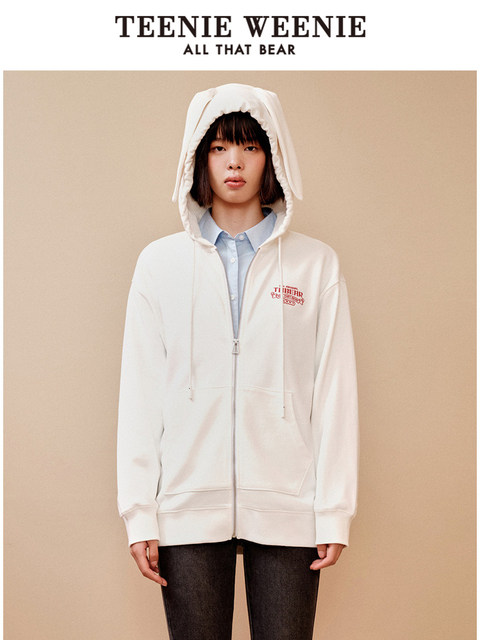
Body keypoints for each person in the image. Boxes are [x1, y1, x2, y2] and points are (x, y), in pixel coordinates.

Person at [117, 82, 359, 640]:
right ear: (198, 159)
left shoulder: (315, 265)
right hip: (185, 504)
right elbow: (140, 393)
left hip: (290, 505)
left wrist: (333, 509)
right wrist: (140, 511)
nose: (234, 162)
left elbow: (335, 391)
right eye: (220, 147)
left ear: (273, 158)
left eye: (251, 147)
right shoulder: (159, 264)